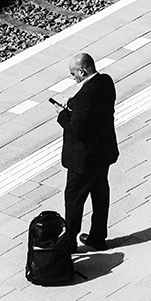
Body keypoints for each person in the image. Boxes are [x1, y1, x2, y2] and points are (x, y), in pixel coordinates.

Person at [57, 52, 119, 251]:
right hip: (104, 153)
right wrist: (73, 102)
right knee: (100, 195)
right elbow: (94, 105)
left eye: (73, 73)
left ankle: (69, 242)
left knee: (74, 201)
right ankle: (97, 237)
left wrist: (63, 115)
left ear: (82, 71)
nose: (72, 77)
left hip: (83, 160)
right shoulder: (106, 82)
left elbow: (77, 129)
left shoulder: (85, 97)